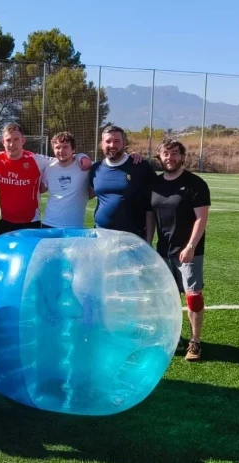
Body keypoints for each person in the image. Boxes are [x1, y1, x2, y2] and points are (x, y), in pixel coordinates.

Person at [146, 139, 211, 362]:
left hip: (188, 251)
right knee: (167, 297)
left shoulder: (195, 184)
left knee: (193, 297)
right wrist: (148, 242)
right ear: (159, 156)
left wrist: (191, 246)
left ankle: (195, 342)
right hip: (163, 250)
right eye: (166, 153)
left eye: (175, 153)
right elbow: (150, 215)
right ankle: (174, 337)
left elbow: (202, 218)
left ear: (182, 157)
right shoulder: (155, 184)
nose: (170, 157)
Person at [89, 125, 157, 237]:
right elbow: (89, 194)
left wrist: (149, 241)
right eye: (108, 141)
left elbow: (151, 206)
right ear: (102, 144)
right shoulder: (95, 168)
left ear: (124, 143)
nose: (112, 145)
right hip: (101, 234)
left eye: (117, 141)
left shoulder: (139, 166)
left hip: (132, 236)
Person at [40, 132, 92, 228]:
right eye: (57, 147)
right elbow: (42, 189)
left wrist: (82, 156)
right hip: (49, 224)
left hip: (75, 227)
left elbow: (107, 165)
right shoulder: (49, 168)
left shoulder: (84, 166)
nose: (61, 150)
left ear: (73, 149)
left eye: (65, 147)